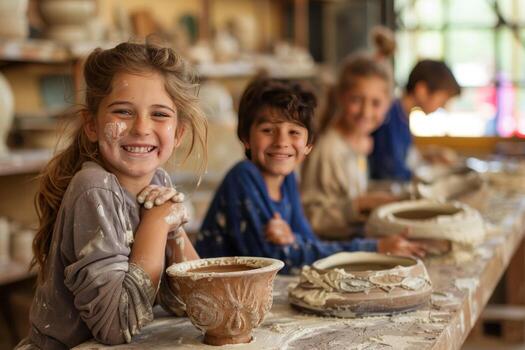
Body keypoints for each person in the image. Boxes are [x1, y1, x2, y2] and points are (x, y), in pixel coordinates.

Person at [16, 41, 207, 349]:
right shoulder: (93, 188)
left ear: (178, 132)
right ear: (92, 124)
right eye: (123, 111)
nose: (142, 128)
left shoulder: (158, 180)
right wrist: (158, 224)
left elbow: (193, 303)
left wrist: (174, 231)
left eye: (159, 114)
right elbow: (117, 325)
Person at [196, 78, 425, 275]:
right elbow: (275, 261)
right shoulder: (243, 177)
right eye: (267, 130)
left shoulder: (287, 181)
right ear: (246, 138)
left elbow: (309, 243)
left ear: (308, 144)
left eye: (294, 132)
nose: (281, 142)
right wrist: (374, 248)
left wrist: (294, 241)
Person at [301, 53, 402, 239]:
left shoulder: (358, 143)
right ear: (340, 97)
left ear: (389, 105)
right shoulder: (328, 150)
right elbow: (310, 218)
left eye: (376, 103)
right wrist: (359, 205)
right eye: (356, 100)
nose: (366, 111)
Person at [369, 59, 461, 181]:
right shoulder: (389, 116)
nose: (442, 107)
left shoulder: (403, 115)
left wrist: (427, 156)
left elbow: (403, 156)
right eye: (442, 101)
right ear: (422, 91)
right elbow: (392, 172)